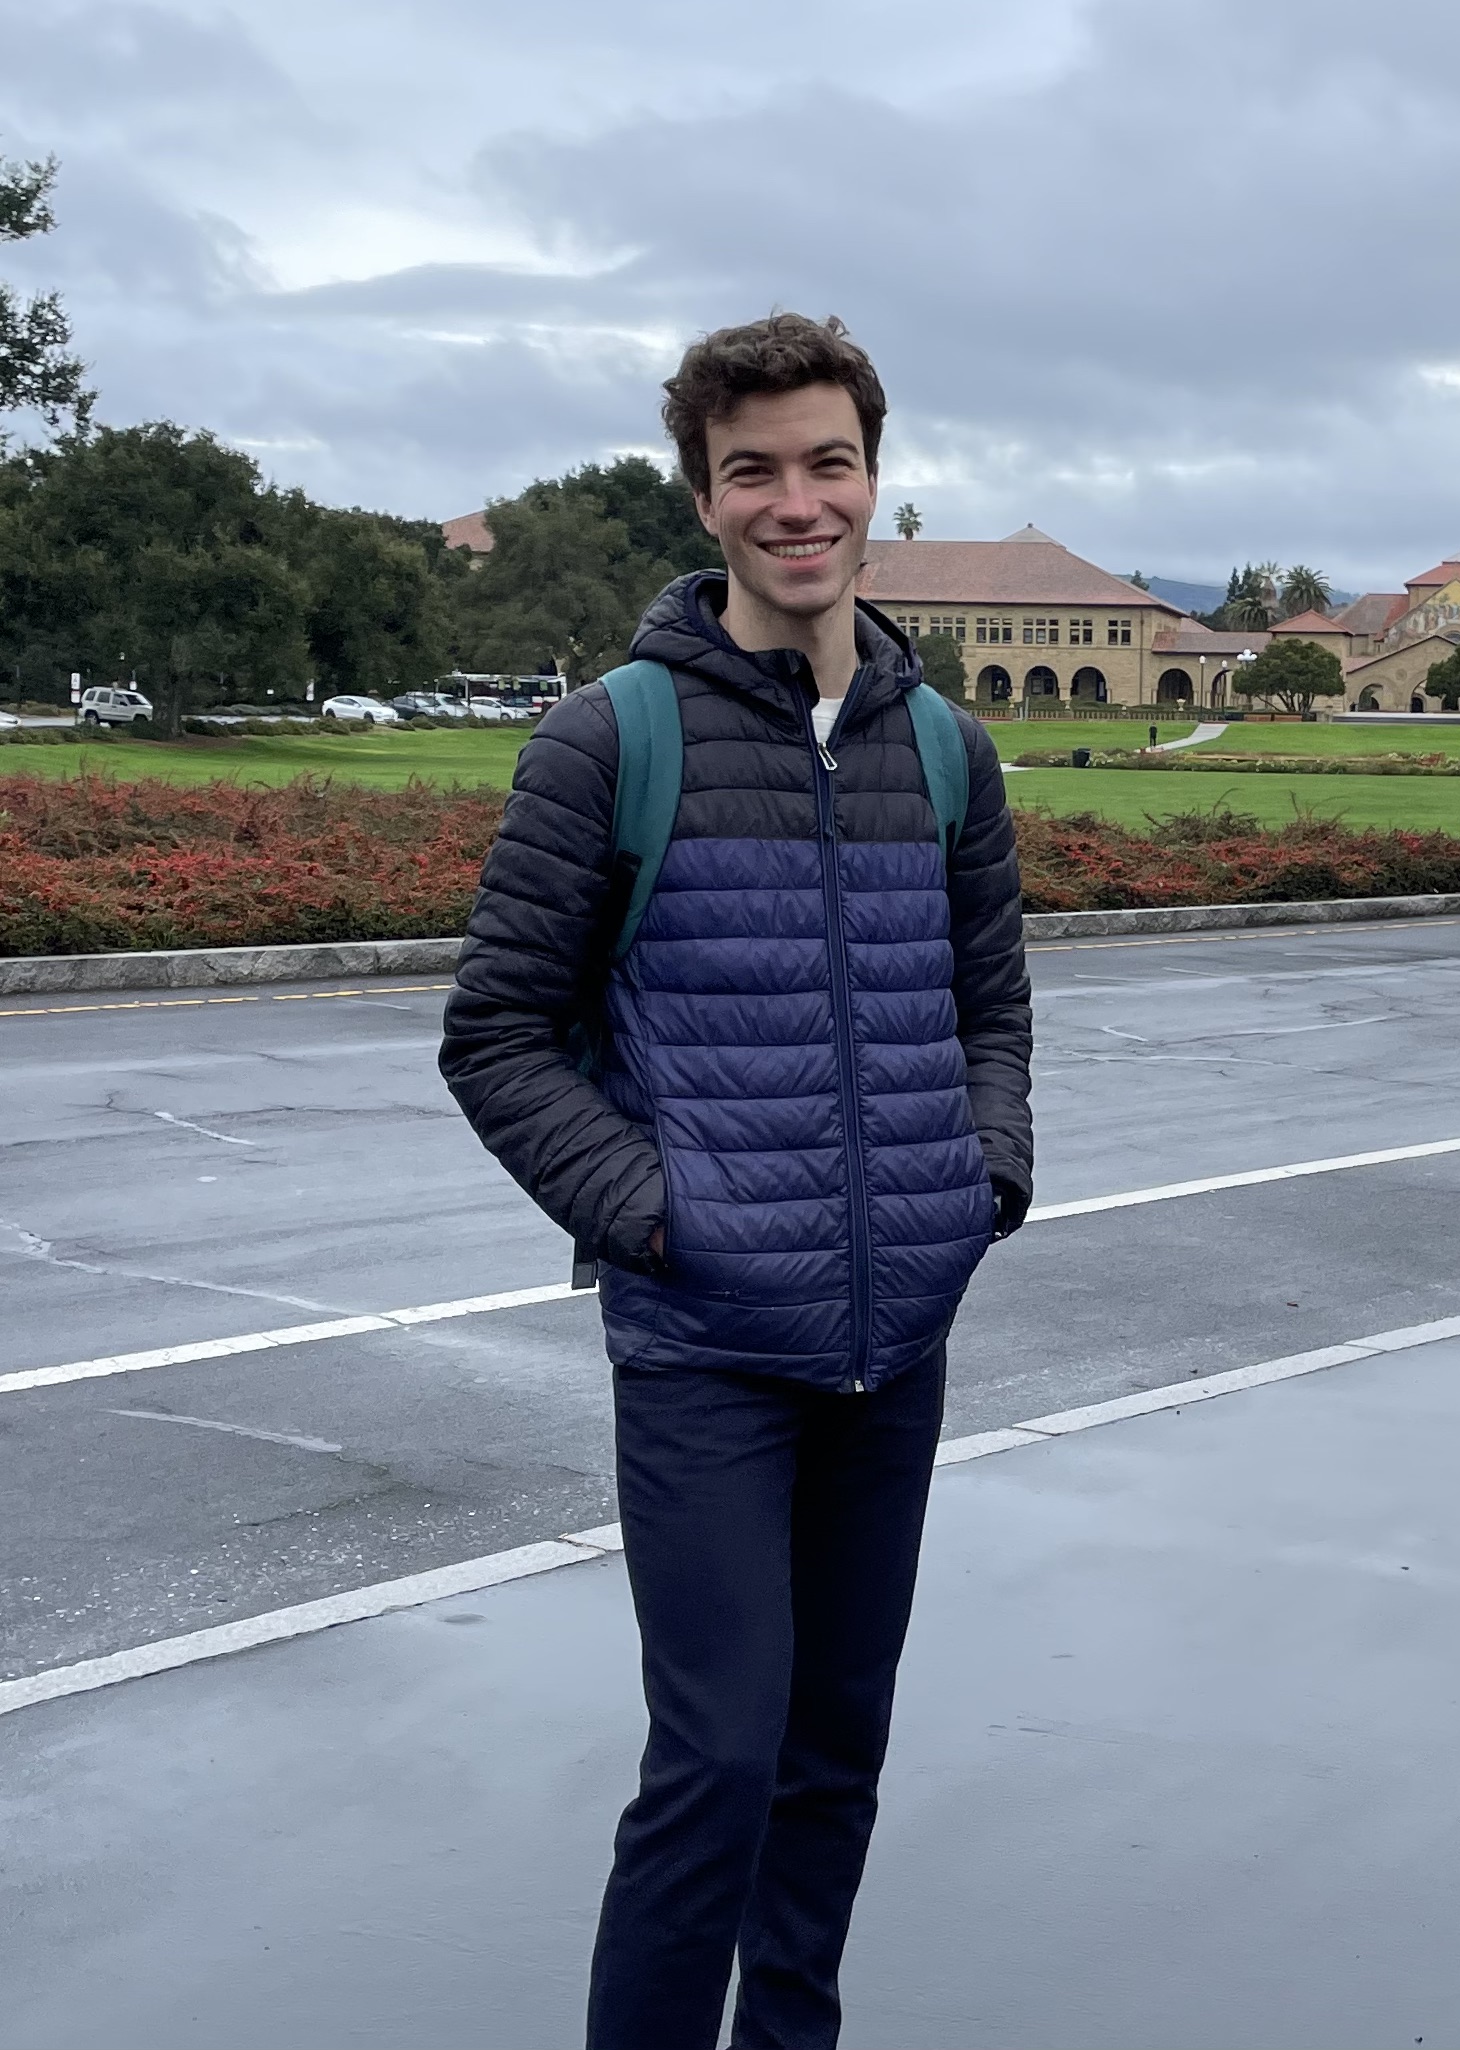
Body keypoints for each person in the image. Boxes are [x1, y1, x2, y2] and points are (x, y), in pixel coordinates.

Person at [439, 312, 1033, 2050]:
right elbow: (497, 1037)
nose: (796, 500)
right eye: (753, 469)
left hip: (892, 1341)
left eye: (826, 462)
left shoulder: (946, 751)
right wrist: (656, 1213)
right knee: (713, 1760)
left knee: (832, 1758)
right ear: (703, 496)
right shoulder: (608, 738)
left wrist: (976, 1175)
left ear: (872, 474)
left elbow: (990, 1005)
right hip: (706, 1349)